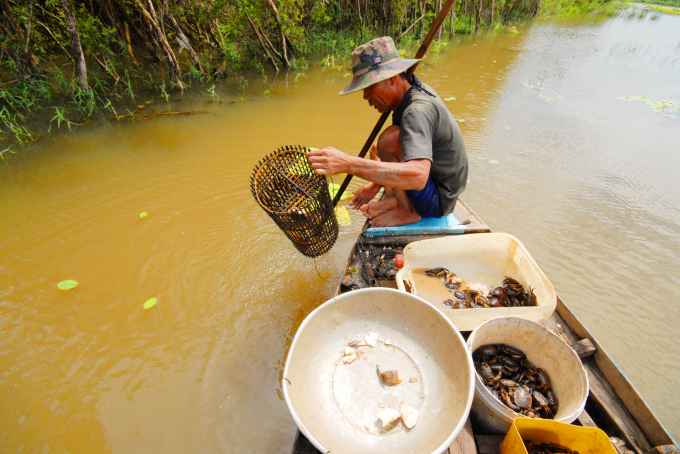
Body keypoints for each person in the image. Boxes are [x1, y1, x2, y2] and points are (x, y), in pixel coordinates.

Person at [307, 36, 468, 227]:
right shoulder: (410, 92)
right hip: (435, 181)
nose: (366, 96)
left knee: (388, 140)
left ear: (392, 78)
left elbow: (418, 176)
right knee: (377, 148)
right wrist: (375, 185)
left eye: (369, 87)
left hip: (439, 200)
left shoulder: (416, 111)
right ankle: (396, 201)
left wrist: (348, 164)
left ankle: (407, 211)